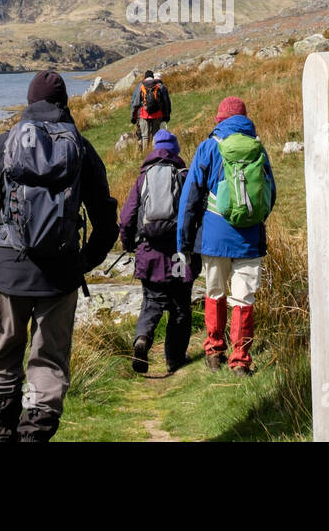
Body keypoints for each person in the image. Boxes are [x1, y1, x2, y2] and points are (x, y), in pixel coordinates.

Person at [0, 70, 118, 441]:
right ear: (64, 103)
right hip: (59, 279)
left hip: (6, 274)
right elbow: (107, 224)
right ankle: (32, 437)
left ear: (30, 102)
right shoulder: (80, 147)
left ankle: (2, 433)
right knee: (47, 365)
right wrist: (81, 263)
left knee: (5, 359)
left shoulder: (3, 145)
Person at [177, 96, 275, 376]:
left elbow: (190, 198)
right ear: (245, 120)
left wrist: (184, 241)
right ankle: (241, 360)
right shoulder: (258, 149)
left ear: (219, 120)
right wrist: (254, 220)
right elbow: (271, 194)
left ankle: (213, 350)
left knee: (215, 291)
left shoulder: (208, 147)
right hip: (249, 239)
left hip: (214, 236)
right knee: (244, 299)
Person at [118, 129, 194, 375]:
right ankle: (174, 359)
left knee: (151, 302)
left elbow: (128, 215)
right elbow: (194, 213)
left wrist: (128, 243)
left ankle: (142, 339)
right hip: (179, 255)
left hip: (149, 253)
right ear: (175, 151)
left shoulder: (144, 177)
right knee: (180, 306)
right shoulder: (183, 175)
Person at [134, 70, 171, 148]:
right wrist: (166, 115)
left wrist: (133, 116)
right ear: (153, 77)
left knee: (145, 136)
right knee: (155, 135)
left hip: (144, 114)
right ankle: (154, 154)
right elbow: (165, 102)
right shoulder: (158, 86)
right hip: (157, 114)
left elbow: (136, 102)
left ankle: (145, 155)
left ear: (145, 77)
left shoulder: (141, 86)